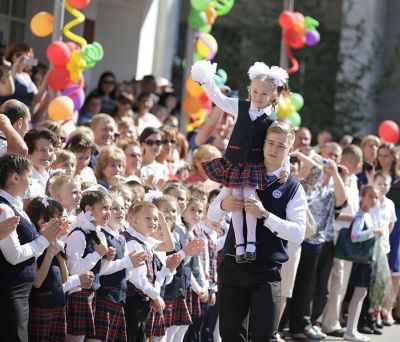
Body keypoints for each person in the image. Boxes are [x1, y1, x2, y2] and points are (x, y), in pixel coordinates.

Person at [208, 123, 307, 341]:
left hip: (267, 270)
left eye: (281, 146)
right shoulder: (242, 172)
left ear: (289, 150)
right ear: (262, 144)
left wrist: (265, 215)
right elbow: (211, 215)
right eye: (270, 143)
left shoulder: (293, 187)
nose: (273, 149)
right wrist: (225, 206)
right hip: (233, 266)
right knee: (231, 335)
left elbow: (299, 233)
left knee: (264, 336)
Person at [191, 60, 289, 263]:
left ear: (272, 96)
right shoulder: (240, 107)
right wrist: (207, 79)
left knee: (250, 198)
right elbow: (218, 98)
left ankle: (251, 243)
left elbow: (282, 145)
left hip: (253, 165)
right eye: (255, 92)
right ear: (249, 91)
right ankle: (240, 244)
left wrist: (285, 167)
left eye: (264, 94)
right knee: (236, 198)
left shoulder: (272, 120)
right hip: (235, 162)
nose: (259, 97)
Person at [0, 154, 64, 341]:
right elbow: (14, 255)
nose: (31, 181)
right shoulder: (4, 209)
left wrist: (48, 236)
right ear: (15, 177)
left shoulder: (15, 207)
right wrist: (44, 239)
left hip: (21, 292)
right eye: (29, 175)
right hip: (11, 291)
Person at [321, 144, 363, 337]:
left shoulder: (353, 180)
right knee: (335, 281)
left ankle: (332, 320)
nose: (361, 164)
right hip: (337, 235)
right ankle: (329, 322)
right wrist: (356, 218)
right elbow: (336, 211)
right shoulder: (336, 178)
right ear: (349, 161)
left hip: (348, 236)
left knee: (342, 281)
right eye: (359, 161)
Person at [344, 185, 383, 342]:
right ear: (363, 197)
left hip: (366, 260)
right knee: (359, 294)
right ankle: (350, 331)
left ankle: (352, 330)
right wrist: (373, 232)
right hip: (361, 261)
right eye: (371, 196)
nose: (374, 200)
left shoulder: (367, 214)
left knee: (361, 294)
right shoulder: (361, 215)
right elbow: (355, 236)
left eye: (375, 197)